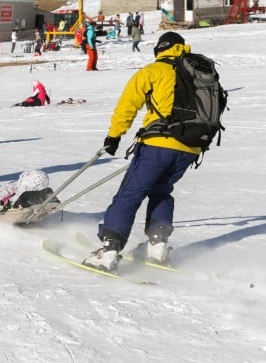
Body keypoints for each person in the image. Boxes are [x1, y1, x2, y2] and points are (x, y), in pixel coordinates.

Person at [82, 32, 201, 272]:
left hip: (158, 144)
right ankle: (157, 247)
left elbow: (128, 105)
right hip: (190, 147)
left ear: (160, 50)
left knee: (130, 194)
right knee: (162, 191)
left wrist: (114, 136)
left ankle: (109, 251)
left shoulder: (153, 71)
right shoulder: (198, 73)